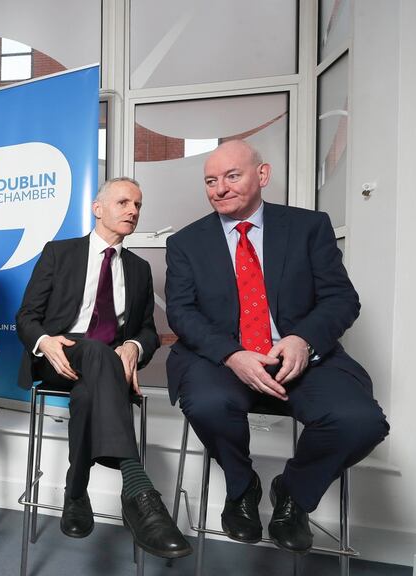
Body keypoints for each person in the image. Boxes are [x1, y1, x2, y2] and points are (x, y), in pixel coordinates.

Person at [165, 140, 389, 553]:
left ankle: (293, 495)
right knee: (208, 403)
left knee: (360, 422)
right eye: (211, 180)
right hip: (222, 357)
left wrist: (303, 340)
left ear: (262, 175)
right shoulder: (186, 243)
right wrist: (232, 355)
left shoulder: (308, 227)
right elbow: (181, 313)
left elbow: (341, 299)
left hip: (299, 357)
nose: (220, 188)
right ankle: (242, 488)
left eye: (232, 176)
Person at [15, 177, 191, 559]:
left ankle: (76, 491)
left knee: (91, 382)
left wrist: (133, 345)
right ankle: (137, 486)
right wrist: (44, 341)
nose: (133, 211)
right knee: (95, 353)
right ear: (98, 208)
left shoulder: (140, 269)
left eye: (138, 205)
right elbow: (26, 316)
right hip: (58, 356)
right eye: (124, 202)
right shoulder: (59, 253)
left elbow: (147, 329)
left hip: (104, 367)